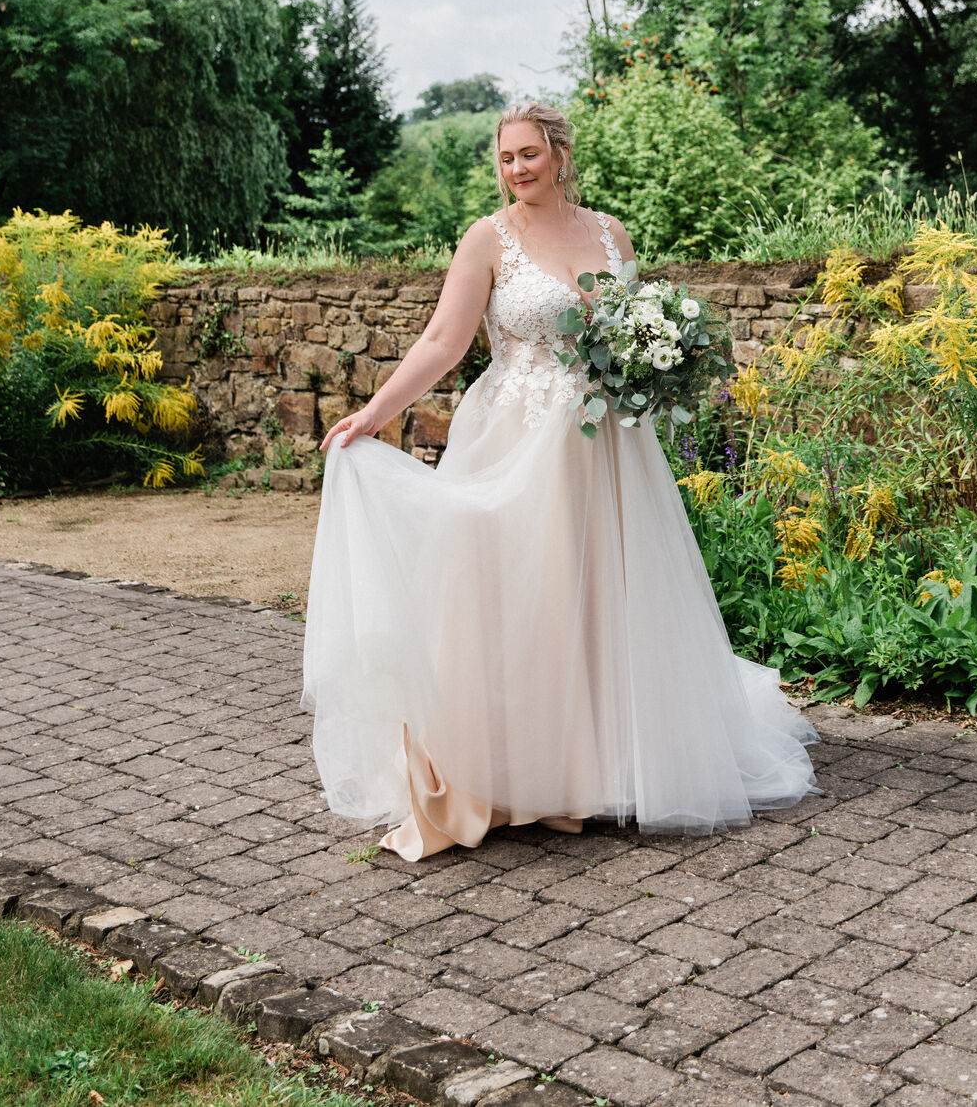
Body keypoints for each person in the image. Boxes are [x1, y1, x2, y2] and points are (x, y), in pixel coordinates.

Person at [301, 101, 818, 861]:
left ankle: (597, 770)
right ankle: (510, 769)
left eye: (529, 155)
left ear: (560, 153)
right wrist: (375, 414)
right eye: (506, 158)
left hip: (604, 444)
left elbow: (636, 328)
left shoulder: (612, 234)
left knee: (601, 593)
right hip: (512, 436)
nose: (517, 169)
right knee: (518, 595)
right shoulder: (487, 239)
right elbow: (445, 340)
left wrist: (652, 361)